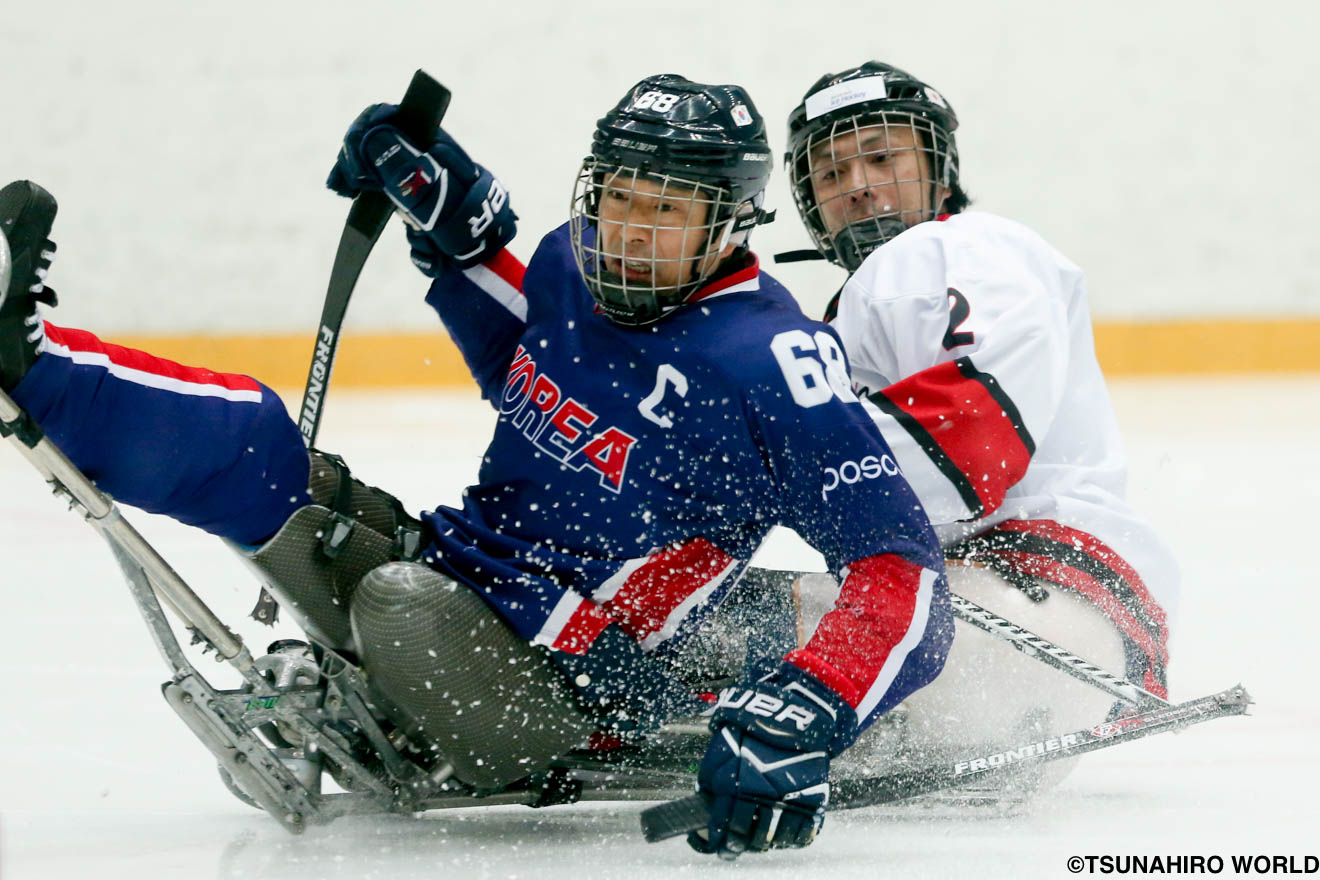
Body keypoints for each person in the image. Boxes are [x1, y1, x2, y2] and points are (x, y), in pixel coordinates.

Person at [0, 74, 954, 858]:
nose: (625, 232)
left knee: (397, 604)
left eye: (663, 211)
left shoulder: (771, 363)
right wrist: (448, 219)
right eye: (616, 197)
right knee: (257, 444)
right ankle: (32, 361)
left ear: (730, 221)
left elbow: (901, 568)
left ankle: (390, 686)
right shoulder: (574, 263)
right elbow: (524, 357)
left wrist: (810, 706)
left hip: (575, 681)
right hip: (469, 572)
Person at [776, 61, 1179, 778]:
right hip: (1032, 635)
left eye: (881, 156)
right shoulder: (886, 287)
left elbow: (971, 440)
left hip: (1027, 616)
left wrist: (763, 477)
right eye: (831, 173)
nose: (859, 184)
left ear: (937, 168)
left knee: (693, 622)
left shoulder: (956, 250)